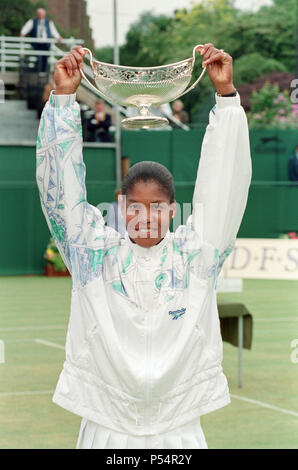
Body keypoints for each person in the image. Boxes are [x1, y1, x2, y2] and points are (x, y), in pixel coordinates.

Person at [36, 44, 252, 449]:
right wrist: (64, 100)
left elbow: (224, 184)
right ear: (121, 208)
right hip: (107, 426)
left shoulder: (196, 257)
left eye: (157, 207)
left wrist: (226, 99)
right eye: (135, 206)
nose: (146, 216)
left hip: (178, 426)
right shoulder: (95, 259)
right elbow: (61, 197)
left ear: (173, 211)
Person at [20, 8, 62, 73]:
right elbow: (26, 28)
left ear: (44, 14)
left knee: (45, 58)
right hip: (37, 44)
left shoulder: (48, 22)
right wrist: (23, 33)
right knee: (39, 58)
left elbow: (53, 31)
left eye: (42, 14)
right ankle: (38, 72)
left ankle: (44, 72)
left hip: (46, 44)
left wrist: (58, 37)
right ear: (37, 14)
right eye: (39, 14)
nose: (40, 15)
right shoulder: (33, 21)